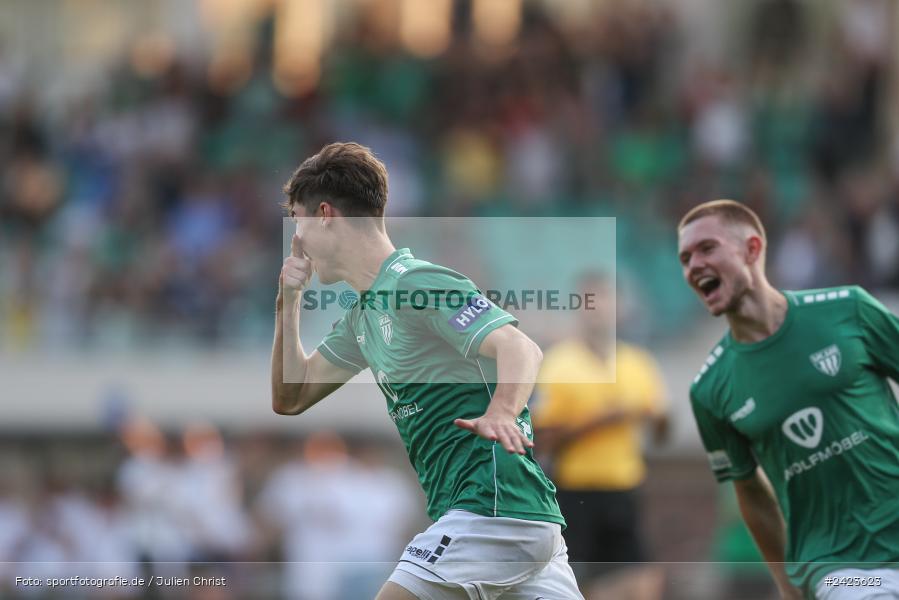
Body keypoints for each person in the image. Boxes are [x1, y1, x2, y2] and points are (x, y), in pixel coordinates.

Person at [270, 142, 583, 600]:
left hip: (491, 511)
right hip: (522, 519)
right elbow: (291, 397)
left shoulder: (415, 283)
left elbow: (520, 347)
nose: (295, 240)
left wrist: (501, 411)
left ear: (324, 215)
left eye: (297, 221)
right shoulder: (362, 317)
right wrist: (289, 302)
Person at [677, 199, 899, 599]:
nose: (694, 266)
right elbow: (749, 491)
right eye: (685, 258)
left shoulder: (848, 309)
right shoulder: (710, 389)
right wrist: (788, 585)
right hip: (839, 568)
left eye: (707, 248)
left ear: (752, 249)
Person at [534, 271, 668, 600]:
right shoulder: (558, 363)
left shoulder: (638, 363)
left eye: (605, 299)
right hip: (576, 489)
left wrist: (658, 417)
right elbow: (541, 439)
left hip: (624, 487)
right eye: (589, 300)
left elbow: (662, 433)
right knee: (573, 584)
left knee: (641, 580)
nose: (598, 308)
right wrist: (598, 421)